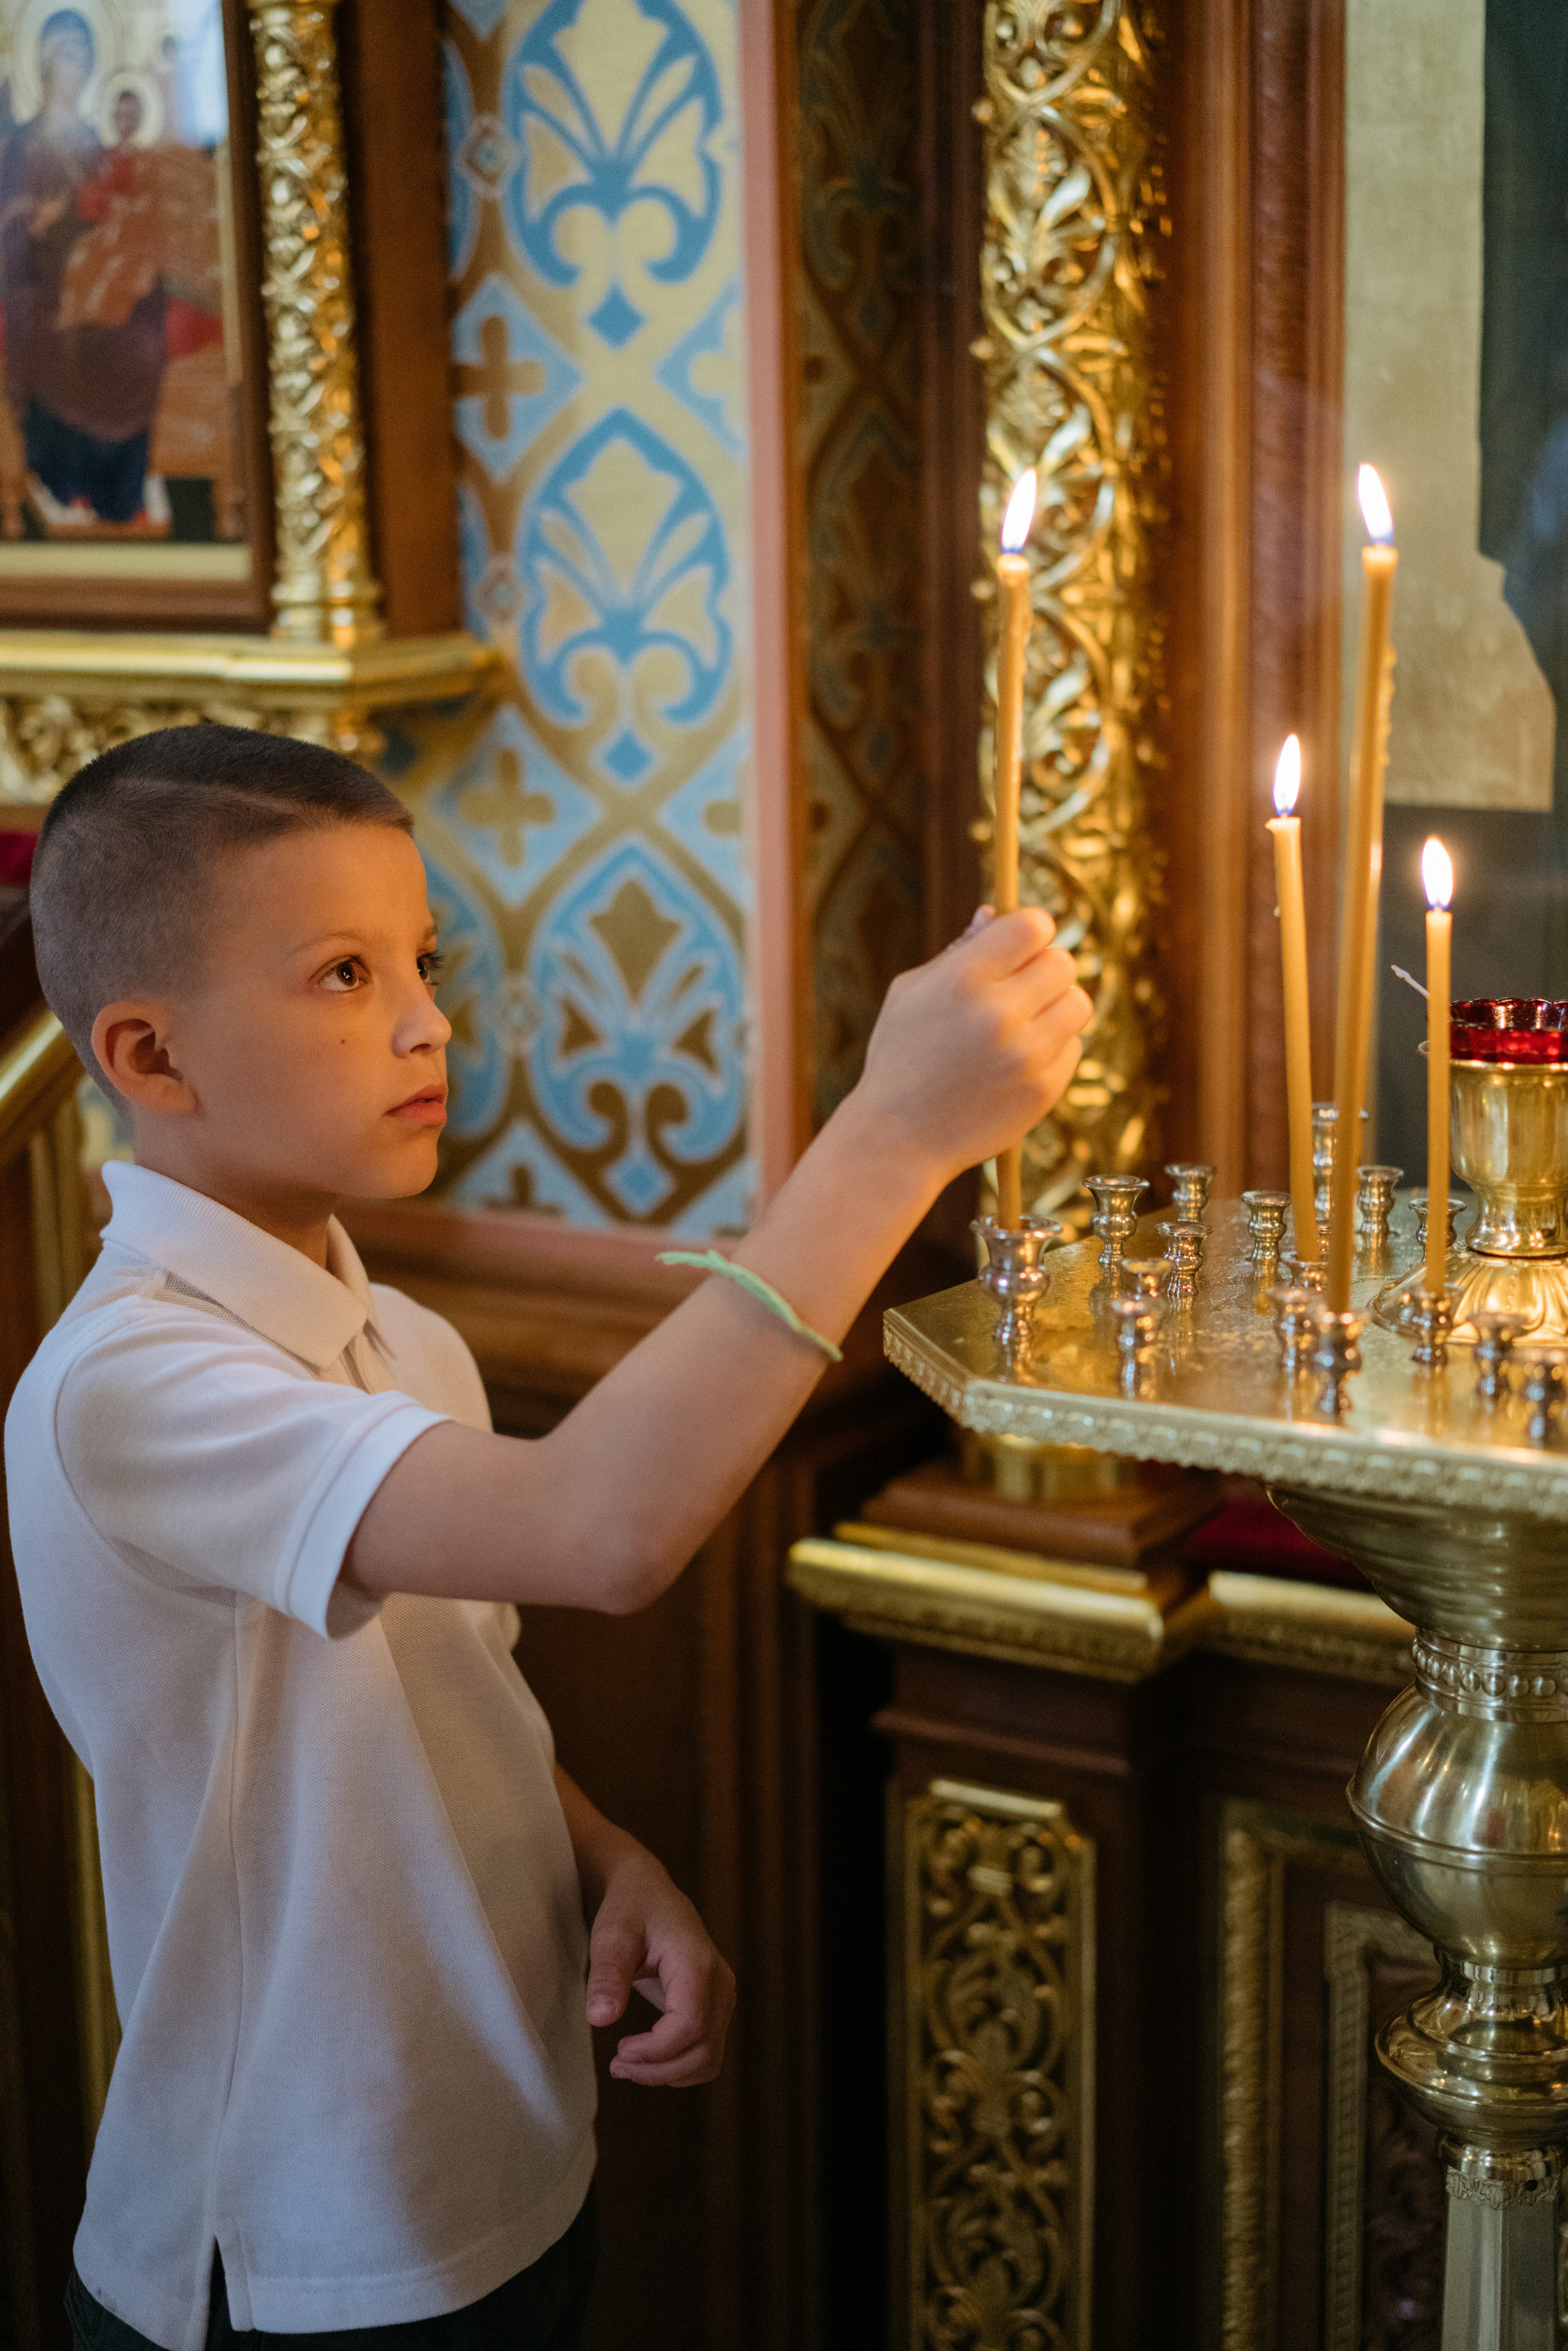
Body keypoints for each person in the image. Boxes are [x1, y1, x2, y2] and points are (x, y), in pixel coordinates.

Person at [7, 724, 1091, 2351]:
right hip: (297, 2242)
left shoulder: (407, 1344)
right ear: (154, 1057)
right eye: (344, 974)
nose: (430, 1019)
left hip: (504, 2166)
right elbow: (604, 1529)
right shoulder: (135, 1386)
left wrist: (603, 1857)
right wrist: (893, 1136)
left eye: (422, 960)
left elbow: (450, 1697)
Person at [0, 10, 167, 527]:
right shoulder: (19, 144)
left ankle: (122, 491)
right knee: (52, 337)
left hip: (97, 278)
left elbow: (120, 208)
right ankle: (60, 484)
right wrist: (32, 219)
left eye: (83, 57)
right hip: (34, 281)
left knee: (140, 341)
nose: (75, 67)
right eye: (66, 54)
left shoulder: (97, 144)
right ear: (46, 62)